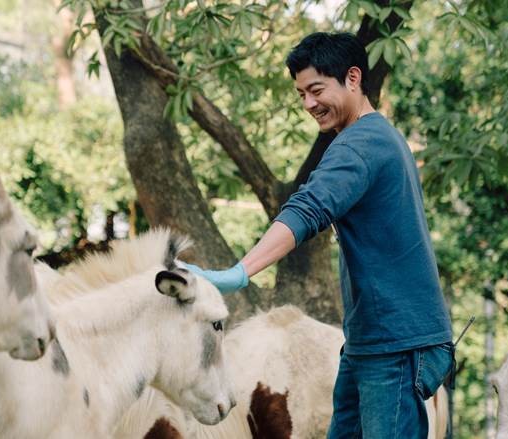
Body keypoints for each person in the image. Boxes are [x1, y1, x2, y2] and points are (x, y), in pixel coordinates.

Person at [184, 32, 453, 438]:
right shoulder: (380, 137)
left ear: (353, 78)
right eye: (301, 94)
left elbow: (306, 210)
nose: (309, 104)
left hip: (396, 346)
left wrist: (239, 273)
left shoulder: (361, 144)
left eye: (316, 90)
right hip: (368, 342)